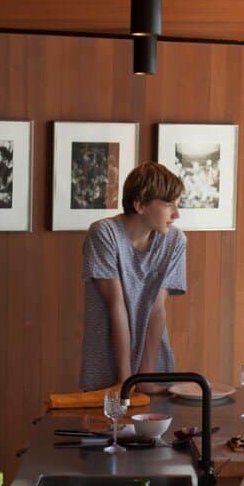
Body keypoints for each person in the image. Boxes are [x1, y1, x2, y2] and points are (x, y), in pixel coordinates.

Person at [79, 161, 186, 392]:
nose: (176, 214)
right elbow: (116, 305)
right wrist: (126, 383)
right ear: (140, 205)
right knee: (109, 426)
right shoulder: (104, 234)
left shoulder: (175, 241)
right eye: (168, 204)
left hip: (152, 362)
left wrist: (144, 378)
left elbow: (156, 309)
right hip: (109, 360)